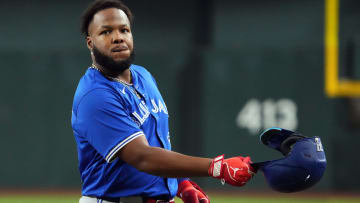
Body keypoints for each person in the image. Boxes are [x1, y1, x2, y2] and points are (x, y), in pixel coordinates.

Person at [71, 0, 255, 202]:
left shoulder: (143, 76)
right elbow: (142, 156)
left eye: (124, 30)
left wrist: (181, 183)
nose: (118, 38)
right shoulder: (95, 95)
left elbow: (155, 143)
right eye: (106, 32)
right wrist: (217, 167)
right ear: (90, 42)